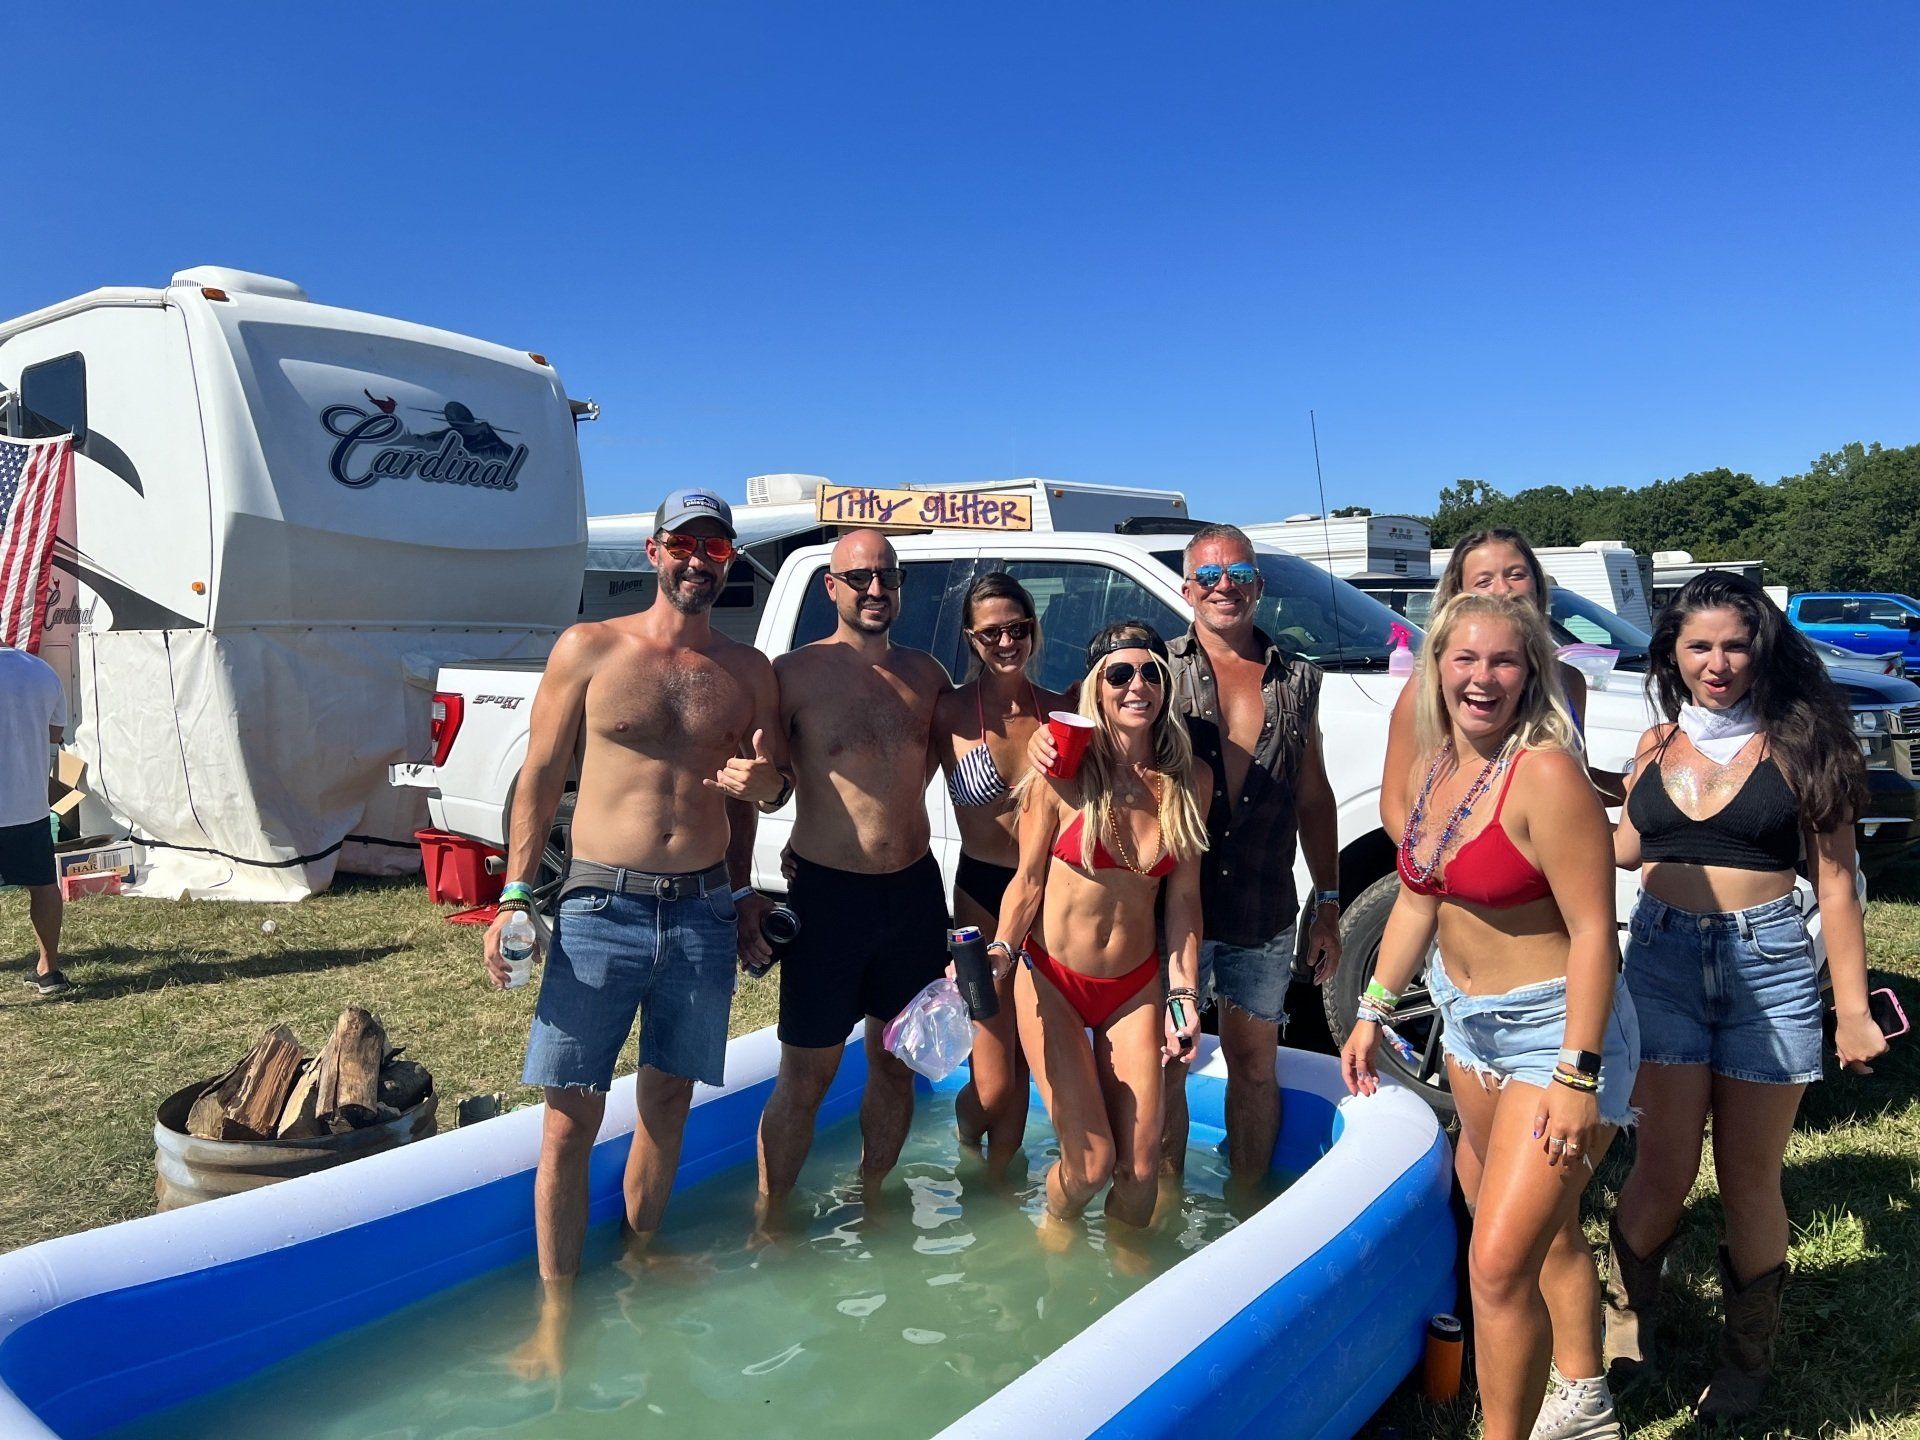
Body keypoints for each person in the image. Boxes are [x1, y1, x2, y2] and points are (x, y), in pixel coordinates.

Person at [482, 488, 789, 1377]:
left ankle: (643, 1254)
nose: (700, 560)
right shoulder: (591, 647)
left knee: (667, 1104)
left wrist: (764, 788)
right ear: (654, 552)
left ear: (730, 559)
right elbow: (539, 775)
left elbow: (769, 795)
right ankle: (554, 1316)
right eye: (685, 544)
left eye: (717, 547)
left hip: (699, 910)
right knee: (569, 1121)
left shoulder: (749, 668)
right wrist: (512, 894)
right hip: (598, 908)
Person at [1343, 592, 1639, 1440]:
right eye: (1464, 659)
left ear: (1532, 672)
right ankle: (1582, 1403)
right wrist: (1372, 1009)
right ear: (1436, 667)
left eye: (1504, 661)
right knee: (1526, 1237)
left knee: (1497, 1262)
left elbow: (1593, 936)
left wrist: (1578, 1077)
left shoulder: (1544, 773)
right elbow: (1416, 899)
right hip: (1468, 1026)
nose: (1483, 677)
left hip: (1558, 1033)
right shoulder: (1439, 767)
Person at [1606, 572, 1887, 1420]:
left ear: (1760, 648)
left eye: (1735, 643)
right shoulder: (1652, 746)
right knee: (1661, 1167)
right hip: (1659, 963)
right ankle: (1627, 1327)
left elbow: (1835, 888)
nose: (1718, 662)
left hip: (1769, 967)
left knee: (1748, 1179)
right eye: (1700, 646)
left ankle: (1745, 1359)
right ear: (1673, 655)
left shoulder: (1804, 748)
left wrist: (1853, 1008)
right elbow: (1619, 849)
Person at [1029, 523, 1343, 1192]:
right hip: (1168, 915)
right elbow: (1081, 718)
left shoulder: (1299, 678)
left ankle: (1245, 1208)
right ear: (1187, 588)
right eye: (1208, 576)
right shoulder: (1152, 669)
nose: (1223, 586)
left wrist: (1330, 901)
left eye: (1237, 574)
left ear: (1258, 584)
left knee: (1256, 1064)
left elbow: (1314, 798)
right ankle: (1161, 1211)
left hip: (1262, 906)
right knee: (1170, 1066)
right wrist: (1038, 746)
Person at [756, 528, 953, 1224]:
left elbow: (926, 764)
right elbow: (772, 784)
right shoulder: (793, 675)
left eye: (887, 576)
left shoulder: (926, 675)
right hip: (829, 897)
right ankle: (772, 1217)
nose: (876, 589)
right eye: (860, 576)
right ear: (831, 587)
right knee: (807, 1076)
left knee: (897, 1061)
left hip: (912, 893)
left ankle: (872, 1197)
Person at [994, 621, 1207, 1245]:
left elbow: (1185, 901)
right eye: (1120, 673)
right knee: (1088, 1168)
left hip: (1134, 987)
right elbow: (1028, 882)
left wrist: (1184, 996)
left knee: (1139, 1175)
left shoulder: (1187, 783)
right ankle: (1054, 1231)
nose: (1136, 685)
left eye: (1151, 673)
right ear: (1096, 686)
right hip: (1053, 981)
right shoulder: (1062, 773)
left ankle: (1122, 1288)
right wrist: (1002, 954)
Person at [931, 572, 1065, 1169]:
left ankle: (997, 1189)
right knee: (993, 1084)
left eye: (1018, 628)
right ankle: (966, 1137)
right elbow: (891, 794)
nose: (1007, 642)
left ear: (1034, 630)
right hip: (980, 896)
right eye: (991, 633)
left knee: (1022, 1068)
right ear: (970, 638)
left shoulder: (1062, 713)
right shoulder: (949, 714)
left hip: (1046, 897)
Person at [1380, 527, 1620, 839]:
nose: (1503, 589)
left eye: (1516, 574)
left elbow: (1577, 784)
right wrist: (1433, 871)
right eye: (1484, 581)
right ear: (1458, 596)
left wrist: (1647, 782)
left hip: (1545, 876)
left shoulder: (1568, 682)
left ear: (1537, 584)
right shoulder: (1431, 685)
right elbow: (1394, 804)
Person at [1, 644, 70, 996]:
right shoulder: (41, 671)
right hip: (27, 803)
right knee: (42, 885)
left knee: (43, 886)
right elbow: (54, 736)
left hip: (25, 804)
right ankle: (49, 970)